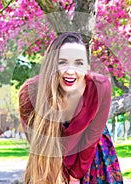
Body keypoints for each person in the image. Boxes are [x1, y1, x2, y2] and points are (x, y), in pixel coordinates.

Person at [19, 32, 123, 184]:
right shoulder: (30, 94)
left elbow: (91, 137)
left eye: (78, 63)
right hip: (50, 157)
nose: (70, 71)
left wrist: (75, 176)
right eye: (63, 62)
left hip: (90, 155)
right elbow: (37, 141)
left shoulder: (100, 87)